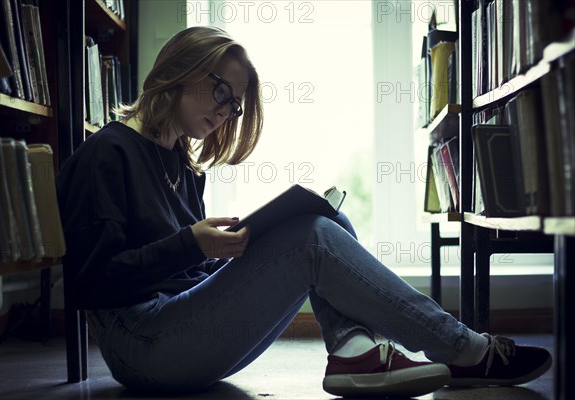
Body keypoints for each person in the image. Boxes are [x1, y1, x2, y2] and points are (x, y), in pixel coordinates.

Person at [55, 26, 552, 398]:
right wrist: (193, 243)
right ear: (177, 71)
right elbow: (91, 282)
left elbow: (184, 271)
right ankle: (464, 350)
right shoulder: (106, 154)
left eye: (236, 105)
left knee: (327, 218)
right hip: (141, 346)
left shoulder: (180, 166)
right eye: (220, 91)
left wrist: (227, 254)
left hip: (179, 331)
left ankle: (354, 353)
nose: (227, 110)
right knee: (310, 235)